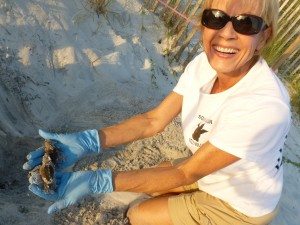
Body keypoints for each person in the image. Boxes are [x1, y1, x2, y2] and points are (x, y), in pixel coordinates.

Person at [23, 0, 291, 224]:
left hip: (239, 204)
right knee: (155, 182)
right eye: (216, 18)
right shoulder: (204, 65)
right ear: (204, 24)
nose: (227, 33)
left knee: (139, 213)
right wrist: (88, 140)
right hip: (212, 174)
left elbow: (186, 173)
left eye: (247, 23)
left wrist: (98, 180)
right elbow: (153, 121)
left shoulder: (264, 106)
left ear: (264, 35)